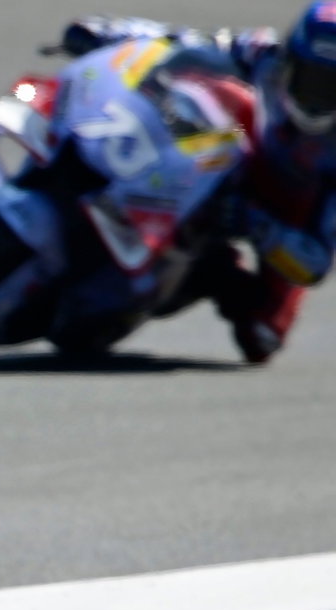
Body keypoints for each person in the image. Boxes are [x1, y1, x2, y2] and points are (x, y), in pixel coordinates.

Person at [56, 4, 336, 363]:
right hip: (222, 155)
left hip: (276, 214)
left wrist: (255, 222)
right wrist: (109, 33)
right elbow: (182, 41)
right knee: (179, 93)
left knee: (262, 336)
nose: (318, 99)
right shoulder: (261, 53)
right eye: (313, 80)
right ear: (290, 60)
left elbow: (314, 261)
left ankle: (210, 272)